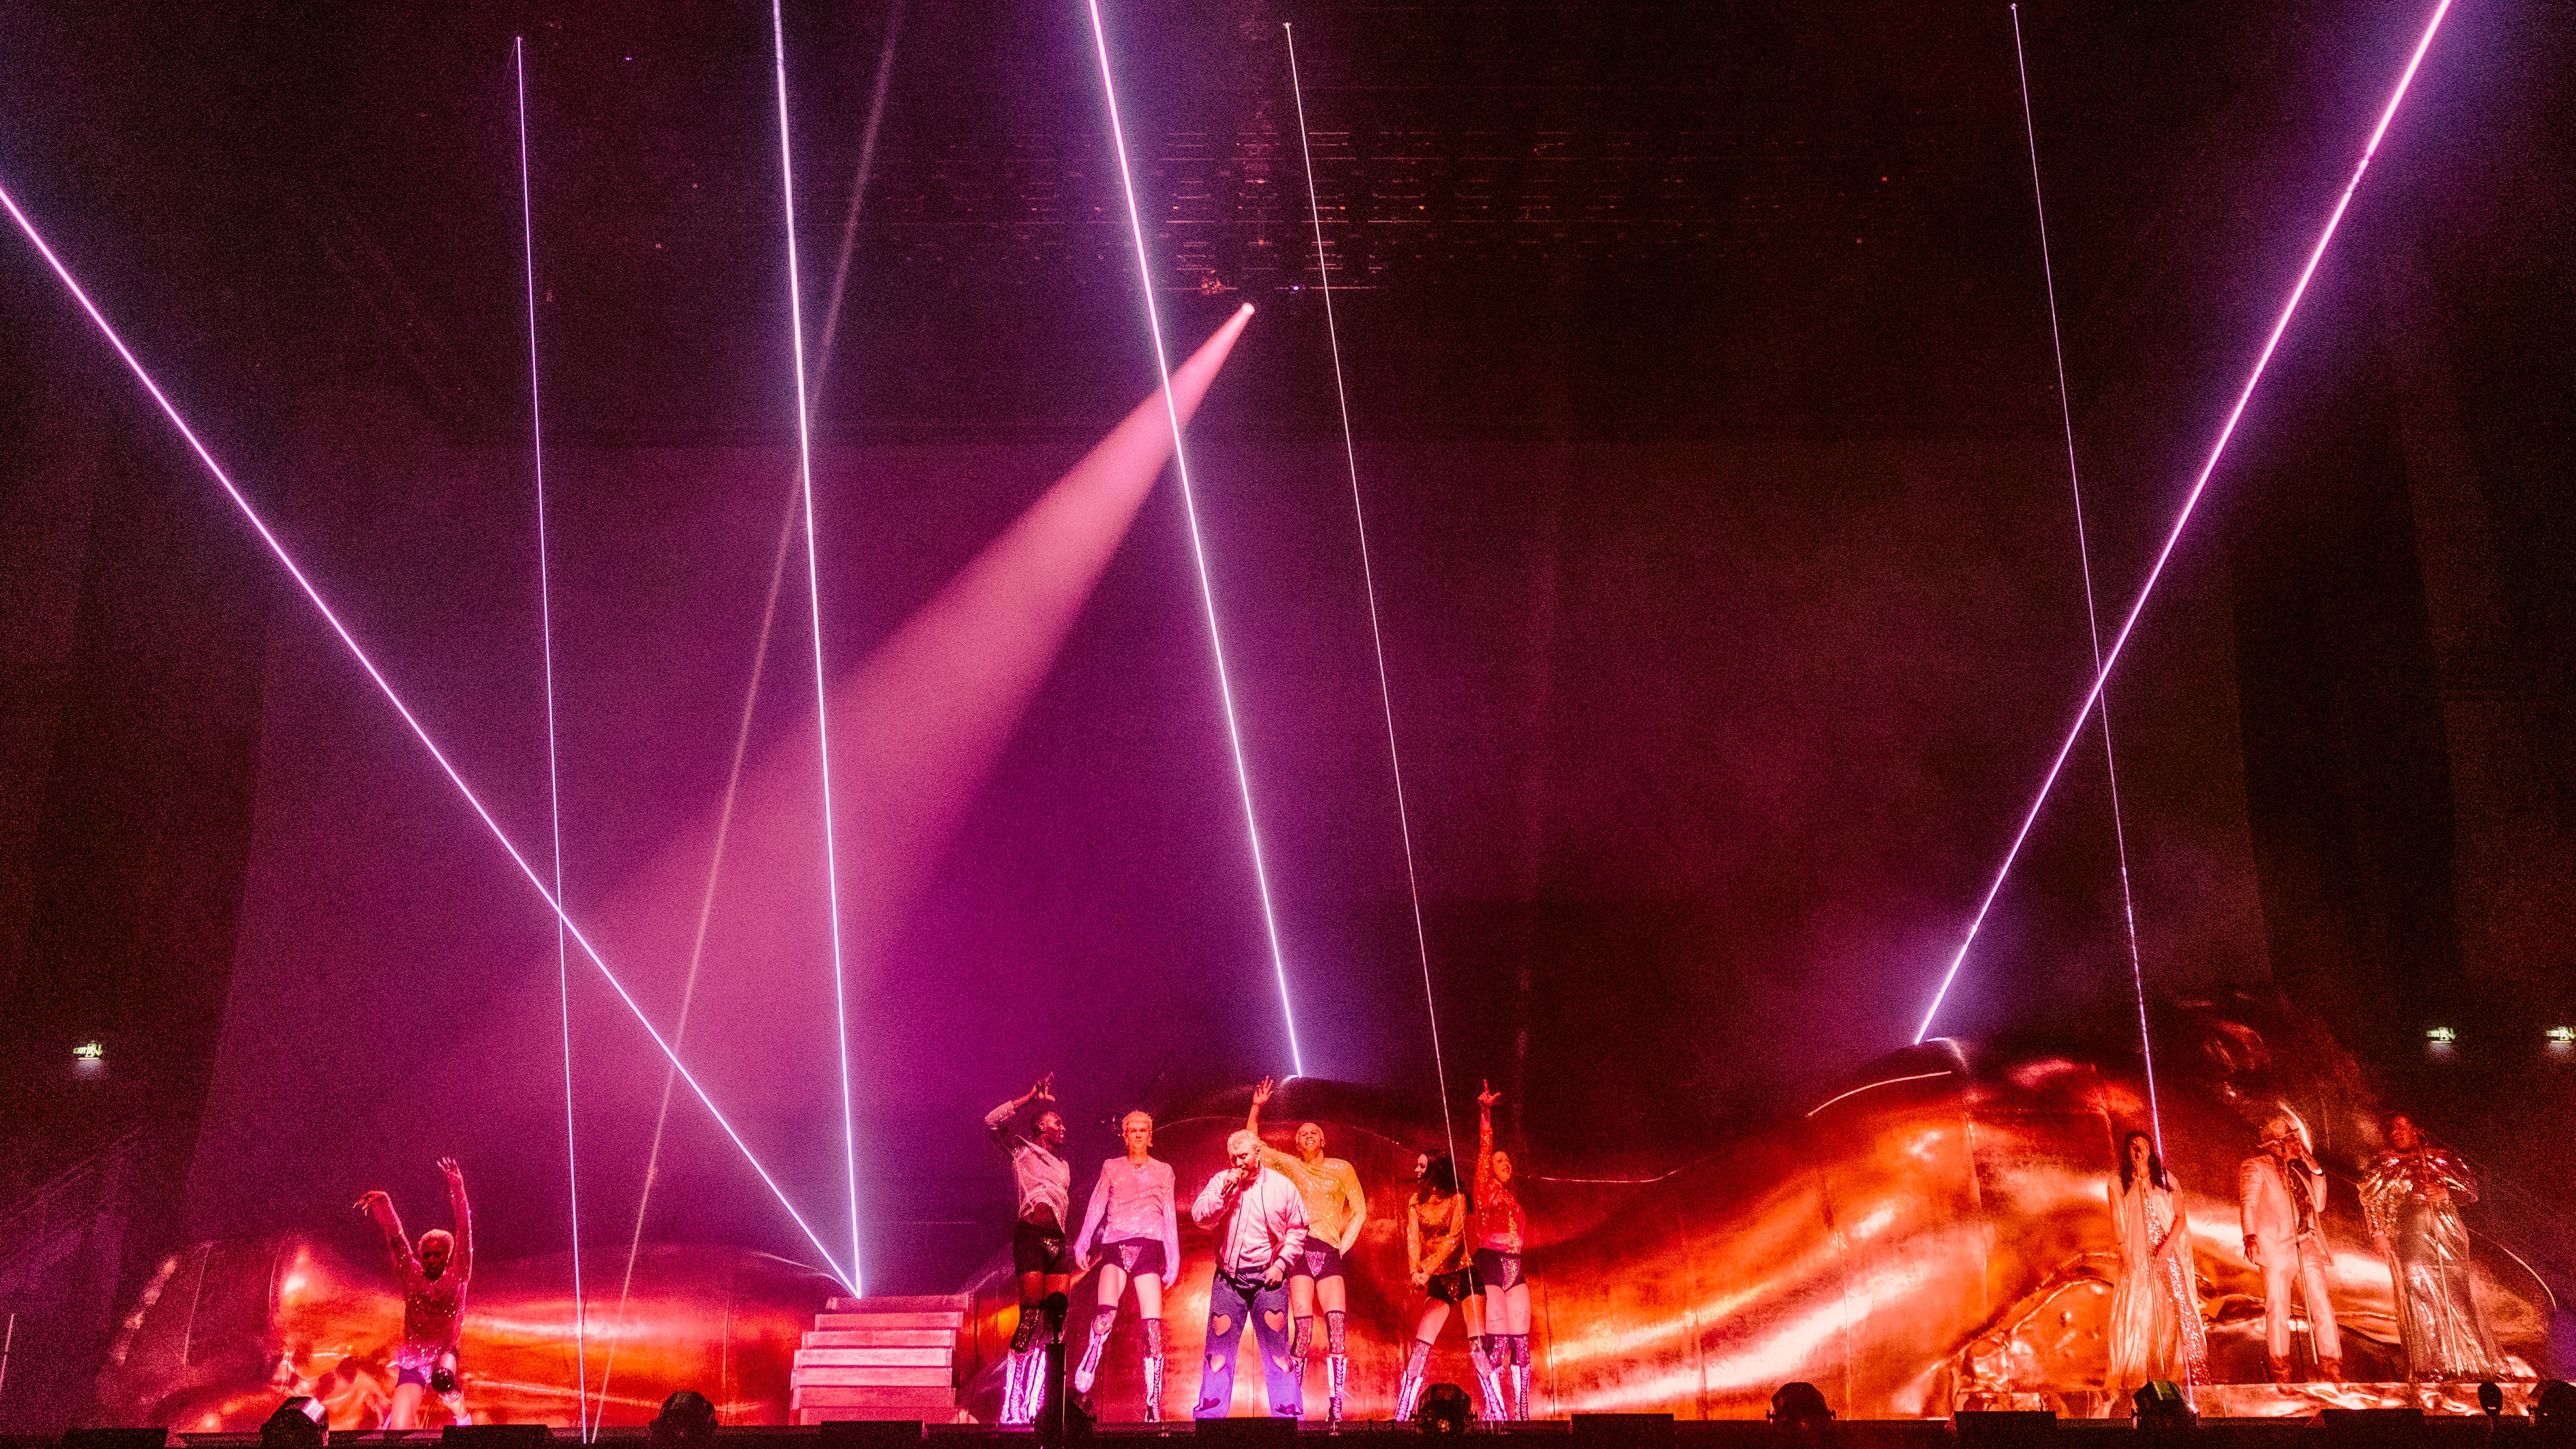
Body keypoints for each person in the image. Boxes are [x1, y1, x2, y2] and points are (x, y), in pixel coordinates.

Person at [1245, 1077, 1367, 1421]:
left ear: (1323, 1139)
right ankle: (1291, 1407)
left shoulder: (1342, 1169)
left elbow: (1359, 1210)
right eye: (1301, 1134)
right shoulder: (1291, 1165)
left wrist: (1343, 1245)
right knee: (1304, 1333)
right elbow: (1253, 1144)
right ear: (1297, 1144)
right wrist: (1257, 1106)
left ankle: (1337, 1410)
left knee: (1337, 1331)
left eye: (1313, 1132)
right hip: (1298, 1252)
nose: (1307, 1137)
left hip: (1329, 1253)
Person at [2359, 1114, 2502, 1381]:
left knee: (2456, 1294)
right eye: (2392, 1129)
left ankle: (2472, 1362)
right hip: (2408, 1234)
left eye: (2402, 1127)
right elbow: (2371, 1199)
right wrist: (2378, 1232)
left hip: (2446, 1232)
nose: (2396, 1133)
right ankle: (2430, 1364)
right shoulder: (2383, 1164)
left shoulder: (2440, 1159)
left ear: (2417, 1129)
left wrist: (2445, 1192)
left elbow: (2470, 1191)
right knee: (2417, 1287)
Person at [1071, 1110, 1183, 1419]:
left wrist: (1173, 1257)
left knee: (1153, 1327)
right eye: (1132, 1131)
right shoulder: (1112, 1167)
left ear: (1150, 1134)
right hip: (1116, 1245)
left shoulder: (1163, 1171)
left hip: (1148, 1245)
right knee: (1105, 1314)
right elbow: (1097, 1204)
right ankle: (1091, 1359)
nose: (1137, 1135)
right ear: (1125, 1135)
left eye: (1142, 1130)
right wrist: (1083, 1241)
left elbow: (1169, 1214)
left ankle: (1153, 1402)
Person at [1190, 1128, 1309, 1419]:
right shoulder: (1222, 1181)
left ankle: (1287, 1418)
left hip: (1268, 1281)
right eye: (1233, 1158)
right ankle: (1210, 1419)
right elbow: (1200, 1218)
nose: (1238, 1163)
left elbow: (1298, 1229)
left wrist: (1281, 1265)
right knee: (1218, 1352)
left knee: (1277, 1351)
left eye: (1243, 1156)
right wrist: (1222, 1195)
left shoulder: (1281, 1186)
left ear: (1257, 1153)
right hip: (1229, 1281)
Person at [353, 1156, 473, 1430]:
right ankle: (398, 1423)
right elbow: (397, 1240)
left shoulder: (458, 1275)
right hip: (414, 1357)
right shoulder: (412, 1275)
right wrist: (384, 1205)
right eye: (427, 1255)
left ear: (448, 1255)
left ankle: (463, 1418)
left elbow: (464, 1231)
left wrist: (457, 1187)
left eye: (437, 1255)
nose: (431, 1259)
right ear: (421, 1255)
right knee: (399, 1429)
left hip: (444, 1352)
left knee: (443, 1378)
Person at [986, 1074, 1075, 1424]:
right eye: (1056, 1123)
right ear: (1040, 1128)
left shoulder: (1064, 1166)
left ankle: (1043, 1402)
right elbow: (992, 1122)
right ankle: (1012, 1405)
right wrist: (1029, 1099)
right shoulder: (1021, 1151)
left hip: (1057, 1243)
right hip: (1030, 1240)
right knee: (1030, 1317)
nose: (1063, 1127)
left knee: (1058, 1322)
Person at [1395, 1150, 1505, 1421]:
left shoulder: (1457, 1198)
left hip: (1465, 1273)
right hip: (1439, 1280)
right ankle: (1401, 1416)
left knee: (1478, 1349)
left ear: (1435, 1169)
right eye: (1417, 1166)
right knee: (1421, 1347)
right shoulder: (1415, 1202)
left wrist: (1427, 1269)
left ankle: (1500, 1415)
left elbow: (1454, 1239)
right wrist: (1414, 1272)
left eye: (1422, 1166)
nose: (1417, 1170)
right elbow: (1413, 1241)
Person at [2103, 1130, 2209, 1403]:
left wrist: (2167, 1247)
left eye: (2144, 1146)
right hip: (2138, 1255)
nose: (2138, 1150)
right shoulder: (2118, 1183)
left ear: (2151, 1151)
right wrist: (2123, 1251)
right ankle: (2138, 1381)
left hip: (2167, 1255)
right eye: (2133, 1146)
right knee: (2140, 1313)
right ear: (2128, 1152)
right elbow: (2117, 1220)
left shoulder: (2164, 1179)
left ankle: (2170, 1380)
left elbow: (2181, 1217)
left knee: (2168, 1315)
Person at [2237, 1111, 2341, 1383]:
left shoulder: (2299, 1172)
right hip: (2275, 1246)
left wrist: (2315, 1170)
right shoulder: (2255, 1166)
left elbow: (2319, 1205)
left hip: (2307, 1244)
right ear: (2276, 1144)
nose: (2298, 1146)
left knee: (2321, 1305)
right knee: (2278, 1308)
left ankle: (2331, 1367)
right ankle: (2281, 1369)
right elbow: (2249, 1202)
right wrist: (2250, 1235)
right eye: (2292, 1141)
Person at [1474, 1082, 1534, 1419]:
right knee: (1497, 1343)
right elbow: (1485, 1150)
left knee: (1521, 1343)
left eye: (1508, 1159)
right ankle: (1495, 1413)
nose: (1505, 1162)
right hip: (1493, 1262)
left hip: (1516, 1265)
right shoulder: (1484, 1188)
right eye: (1500, 1159)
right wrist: (1486, 1114)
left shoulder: (1512, 1198)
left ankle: (1522, 1411)